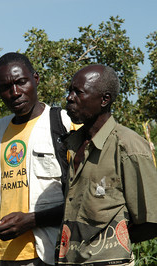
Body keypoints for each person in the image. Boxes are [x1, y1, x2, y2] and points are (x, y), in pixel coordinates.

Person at [0, 52, 74, 266]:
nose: (15, 92)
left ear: (36, 79)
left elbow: (81, 199)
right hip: (2, 255)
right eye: (5, 87)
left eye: (21, 82)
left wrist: (31, 220)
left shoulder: (65, 125)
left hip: (49, 252)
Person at [56, 64, 157, 265]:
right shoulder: (73, 144)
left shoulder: (128, 146)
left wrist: (108, 245)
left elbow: (152, 220)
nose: (70, 98)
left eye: (78, 92)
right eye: (70, 91)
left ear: (104, 99)